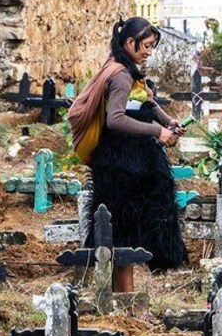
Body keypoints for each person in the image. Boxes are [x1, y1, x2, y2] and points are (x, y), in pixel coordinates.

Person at [68, 17, 188, 292]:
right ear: (129, 43)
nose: (148, 52)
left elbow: (146, 101)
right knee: (123, 229)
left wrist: (168, 121)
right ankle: (127, 298)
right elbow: (116, 119)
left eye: (152, 47)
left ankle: (121, 296)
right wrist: (157, 132)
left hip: (127, 161)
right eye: (145, 46)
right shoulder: (121, 76)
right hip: (122, 165)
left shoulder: (128, 71)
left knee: (124, 228)